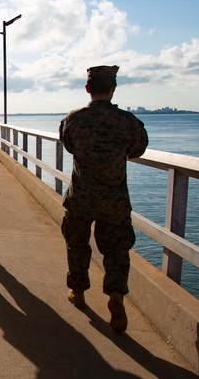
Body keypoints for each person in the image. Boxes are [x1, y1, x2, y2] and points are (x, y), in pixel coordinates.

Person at [59, 65, 149, 333]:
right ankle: (115, 296)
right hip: (115, 199)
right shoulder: (128, 122)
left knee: (77, 243)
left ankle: (78, 292)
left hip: (81, 197)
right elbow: (138, 149)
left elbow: (70, 146)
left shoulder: (74, 120)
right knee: (117, 249)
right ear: (113, 88)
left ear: (88, 89)